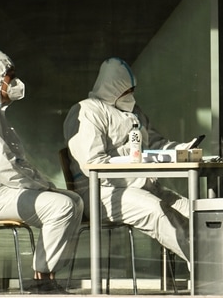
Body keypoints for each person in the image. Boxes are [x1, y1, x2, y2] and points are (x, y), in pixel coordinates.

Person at [0, 47, 84, 294]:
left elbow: (17, 161)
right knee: (61, 207)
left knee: (73, 200)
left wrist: (43, 183)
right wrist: (38, 186)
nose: (16, 82)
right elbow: (0, 165)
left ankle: (46, 274)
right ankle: (43, 280)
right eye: (11, 75)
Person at [63, 57, 198, 263]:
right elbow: (94, 165)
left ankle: (222, 262)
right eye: (126, 92)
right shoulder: (87, 112)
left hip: (142, 186)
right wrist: (138, 171)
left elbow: (155, 144)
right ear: (112, 88)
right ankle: (202, 267)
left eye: (132, 90)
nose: (131, 96)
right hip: (101, 194)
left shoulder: (134, 112)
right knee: (157, 211)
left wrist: (181, 149)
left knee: (192, 211)